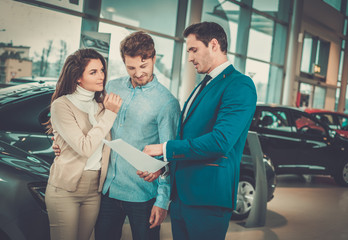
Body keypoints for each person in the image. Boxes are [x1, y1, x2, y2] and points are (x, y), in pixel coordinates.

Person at [141, 22, 257, 240]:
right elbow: (190, 138)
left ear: (213, 44)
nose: (190, 58)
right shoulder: (203, 85)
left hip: (208, 199)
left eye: (193, 50)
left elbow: (220, 141)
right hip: (182, 197)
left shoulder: (239, 85)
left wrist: (165, 148)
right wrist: (163, 167)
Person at [93, 31, 180, 240]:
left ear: (153, 59)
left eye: (143, 66)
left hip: (144, 197)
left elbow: (170, 155)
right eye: (131, 67)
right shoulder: (111, 87)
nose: (138, 73)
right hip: (108, 192)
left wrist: (162, 201)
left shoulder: (167, 102)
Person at [45, 48, 122, 240]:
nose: (101, 76)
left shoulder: (101, 106)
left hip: (94, 190)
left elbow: (105, 145)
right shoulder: (61, 105)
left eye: (102, 70)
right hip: (65, 189)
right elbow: (85, 147)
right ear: (78, 77)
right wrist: (110, 114)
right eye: (93, 72)